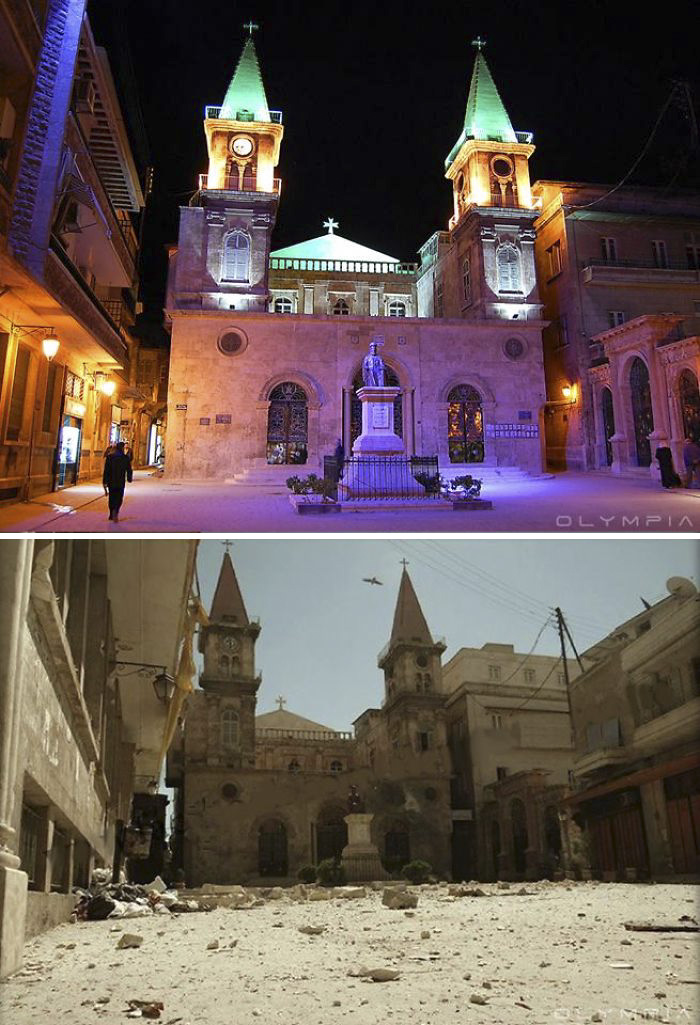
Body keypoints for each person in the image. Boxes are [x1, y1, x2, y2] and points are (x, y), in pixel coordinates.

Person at [103, 440, 133, 522]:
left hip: (111, 481)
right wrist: (129, 478)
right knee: (119, 497)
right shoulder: (125, 458)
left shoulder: (110, 457)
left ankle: (111, 513)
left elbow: (106, 470)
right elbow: (129, 469)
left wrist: (104, 481)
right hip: (120, 481)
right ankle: (116, 511)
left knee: (111, 497)